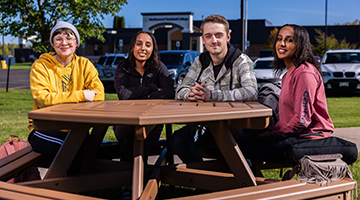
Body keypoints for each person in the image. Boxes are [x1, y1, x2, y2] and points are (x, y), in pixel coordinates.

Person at [238, 24, 334, 163]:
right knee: (241, 142)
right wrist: (271, 130)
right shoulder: (289, 73)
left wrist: (274, 134)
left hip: (309, 137)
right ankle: (249, 181)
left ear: (300, 45)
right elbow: (287, 121)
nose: (281, 44)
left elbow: (301, 121)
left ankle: (246, 183)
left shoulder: (304, 73)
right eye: (279, 39)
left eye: (289, 40)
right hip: (294, 134)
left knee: (239, 148)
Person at [171, 14, 258, 163]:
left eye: (218, 35)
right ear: (203, 40)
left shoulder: (241, 60)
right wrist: (191, 94)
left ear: (228, 37)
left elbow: (251, 92)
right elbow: (180, 89)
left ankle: (239, 182)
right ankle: (203, 180)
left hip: (236, 128)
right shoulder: (200, 61)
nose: (214, 40)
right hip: (207, 126)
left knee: (230, 152)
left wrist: (212, 95)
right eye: (208, 36)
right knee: (178, 140)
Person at [28, 21, 105, 169]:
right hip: (43, 130)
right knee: (72, 151)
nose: (64, 43)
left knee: (99, 156)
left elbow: (99, 95)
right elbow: (43, 99)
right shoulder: (41, 66)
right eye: (58, 39)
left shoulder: (85, 64)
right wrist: (81, 95)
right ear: (52, 43)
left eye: (69, 38)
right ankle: (69, 189)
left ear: (76, 43)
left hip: (76, 129)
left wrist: (57, 99)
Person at [113, 31, 175, 163]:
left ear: (153, 49)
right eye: (139, 44)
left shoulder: (159, 68)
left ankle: (128, 179)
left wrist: (136, 94)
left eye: (148, 45)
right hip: (124, 122)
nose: (143, 48)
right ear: (132, 47)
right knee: (134, 137)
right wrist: (152, 89)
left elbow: (169, 93)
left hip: (152, 124)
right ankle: (141, 177)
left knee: (137, 139)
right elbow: (124, 95)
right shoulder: (123, 68)